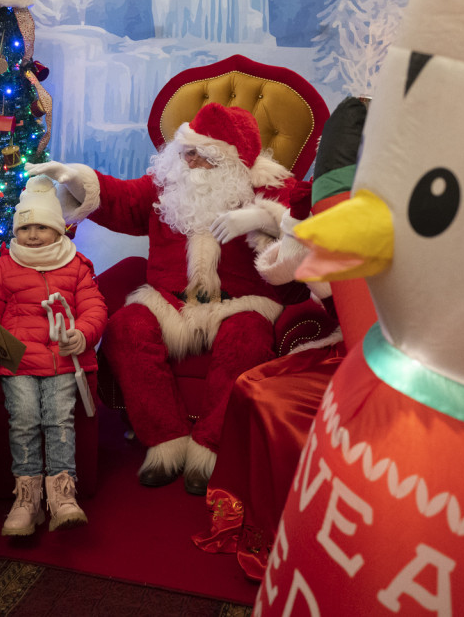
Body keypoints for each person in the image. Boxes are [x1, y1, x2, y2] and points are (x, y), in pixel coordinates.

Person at [28, 102, 302, 496]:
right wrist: (77, 179)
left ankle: (209, 447)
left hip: (241, 303)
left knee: (247, 339)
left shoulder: (268, 188)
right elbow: (122, 199)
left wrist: (264, 218)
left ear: (227, 159)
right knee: (125, 329)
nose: (188, 159)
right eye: (185, 149)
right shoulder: (167, 183)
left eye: (200, 153)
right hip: (168, 301)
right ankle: (166, 442)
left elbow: (309, 225)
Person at [0, 175, 107, 536]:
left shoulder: (76, 265)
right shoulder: (3, 266)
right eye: (26, 227)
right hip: (15, 359)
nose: (32, 235)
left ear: (58, 230)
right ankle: (27, 500)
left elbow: (94, 307)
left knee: (59, 419)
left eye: (42, 227)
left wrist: (81, 335)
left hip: (62, 358)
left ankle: (63, 496)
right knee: (25, 418)